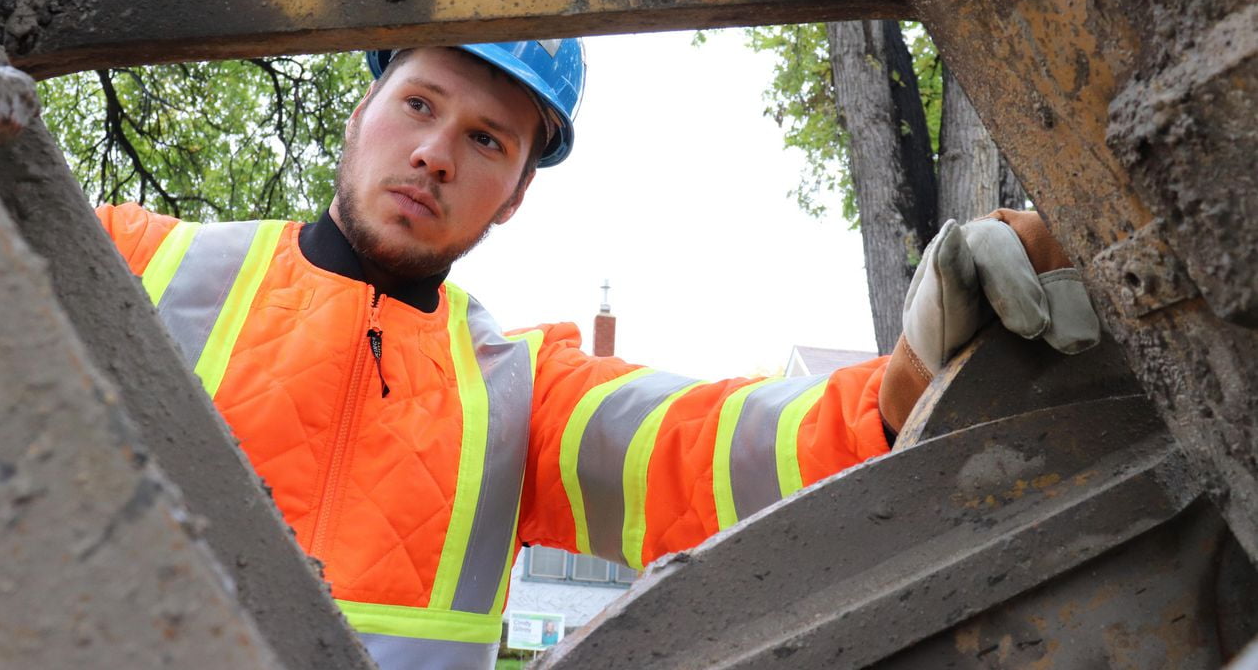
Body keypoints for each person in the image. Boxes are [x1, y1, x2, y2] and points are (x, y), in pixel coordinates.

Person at [97, 39, 1097, 670]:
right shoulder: (136, 266)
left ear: (518, 193)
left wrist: (913, 373)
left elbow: (713, 450)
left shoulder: (514, 393)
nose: (438, 152)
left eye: (489, 140)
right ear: (361, 116)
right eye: (419, 105)